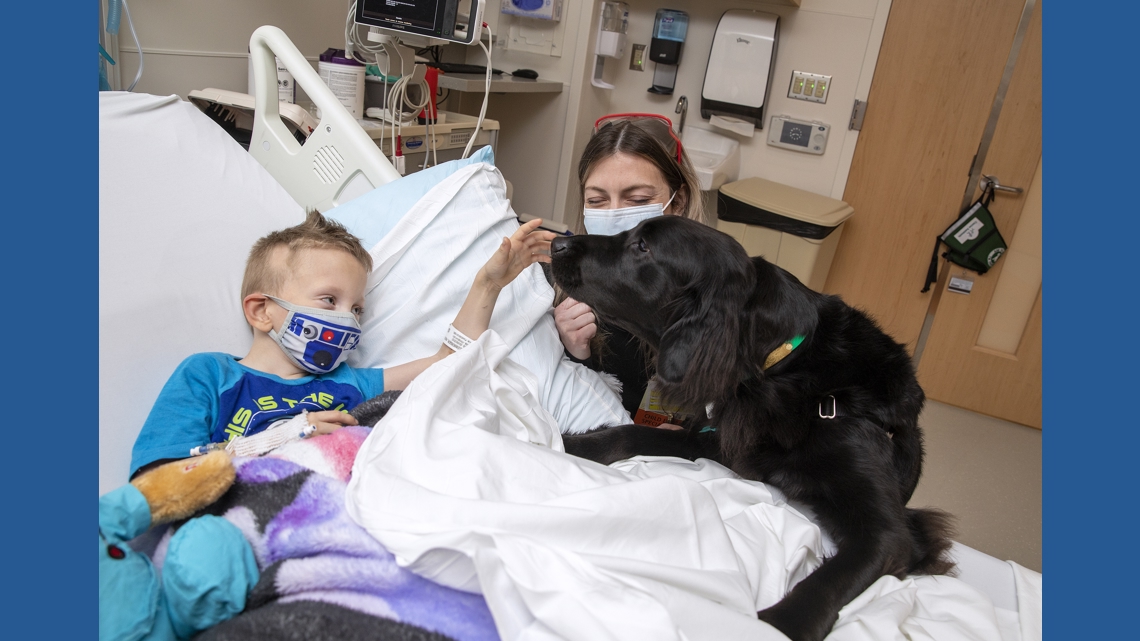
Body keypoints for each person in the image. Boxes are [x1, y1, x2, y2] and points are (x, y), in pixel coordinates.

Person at [130, 211, 554, 478]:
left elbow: (449, 362)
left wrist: (488, 284)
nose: (347, 320)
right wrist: (280, 438)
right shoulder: (209, 375)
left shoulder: (350, 383)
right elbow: (156, 480)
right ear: (261, 311)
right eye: (329, 300)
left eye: (357, 309)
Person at [552, 114, 706, 417]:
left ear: (678, 202)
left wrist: (690, 430)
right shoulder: (559, 290)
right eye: (597, 201)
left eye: (637, 200)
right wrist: (576, 354)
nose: (614, 214)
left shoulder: (709, 296)